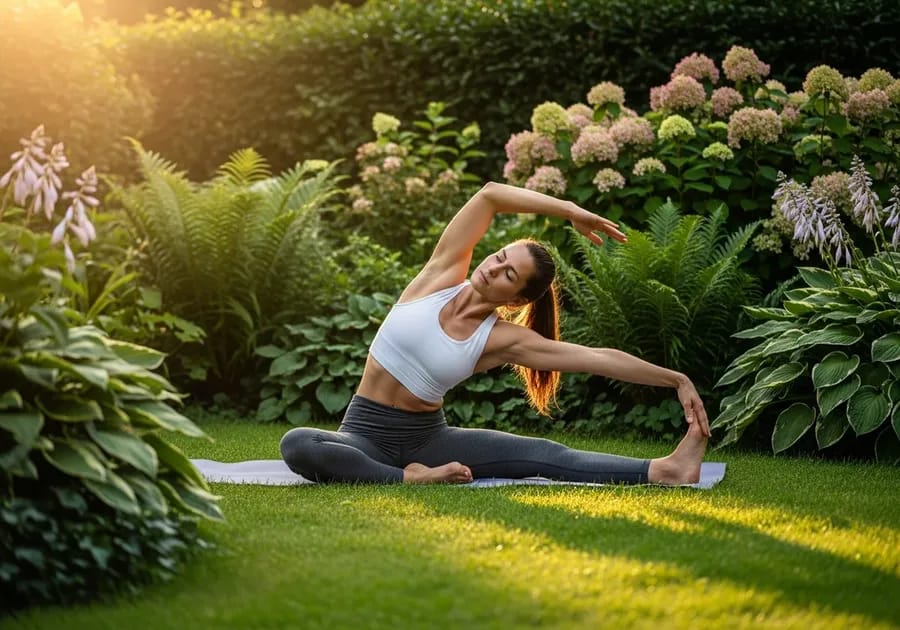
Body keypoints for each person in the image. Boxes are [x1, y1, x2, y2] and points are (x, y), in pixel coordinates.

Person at [280, 182, 710, 485]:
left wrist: (676, 379)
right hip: (362, 433)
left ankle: (665, 470)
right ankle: (408, 479)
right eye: (499, 256)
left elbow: (595, 357)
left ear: (518, 300)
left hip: (428, 439)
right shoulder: (439, 275)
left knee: (545, 455)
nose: (493, 267)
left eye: (509, 274)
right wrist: (569, 210)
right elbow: (489, 195)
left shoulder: (501, 339)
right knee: (299, 444)